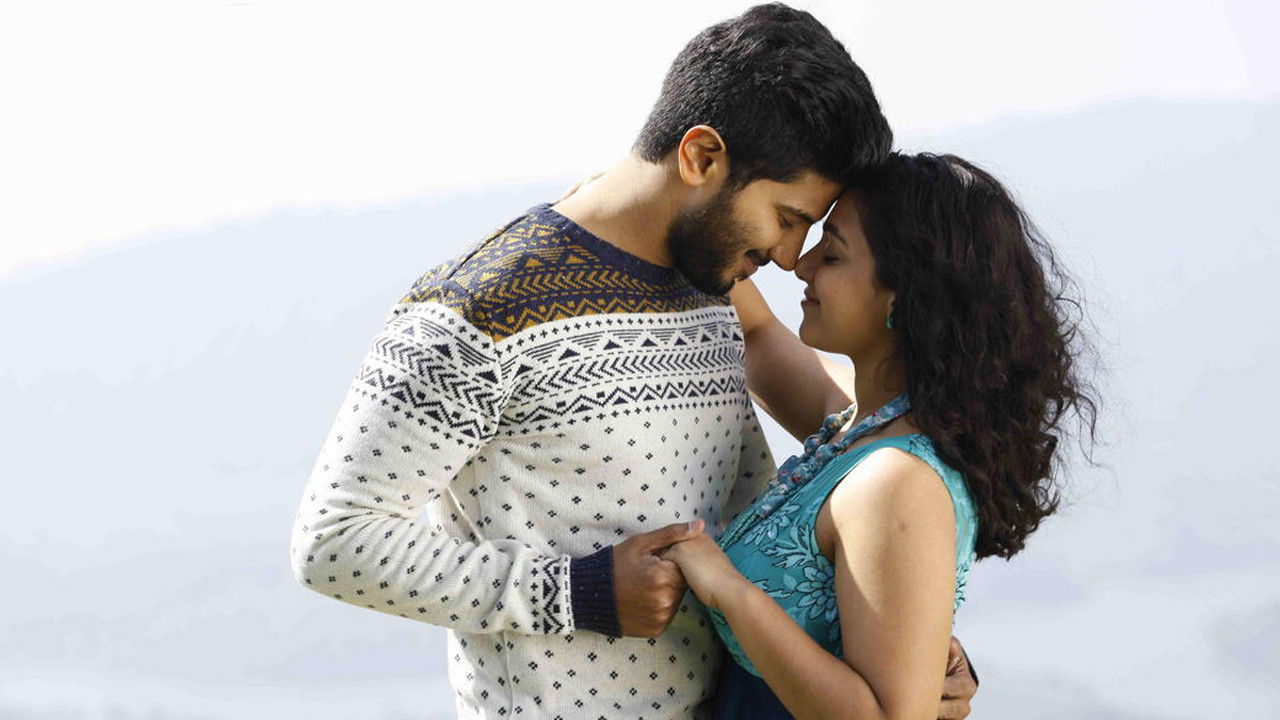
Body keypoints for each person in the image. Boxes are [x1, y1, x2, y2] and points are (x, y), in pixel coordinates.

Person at [289, 5, 978, 718]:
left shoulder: (708, 273)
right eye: (788, 218)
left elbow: (798, 375)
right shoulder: (478, 310)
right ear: (701, 157)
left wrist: (903, 639)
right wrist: (576, 592)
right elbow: (331, 542)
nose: (788, 256)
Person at [658, 152, 1099, 719]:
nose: (800, 264)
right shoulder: (858, 425)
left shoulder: (895, 480)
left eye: (832, 253)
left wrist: (729, 590)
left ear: (903, 297)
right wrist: (676, 191)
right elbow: (758, 334)